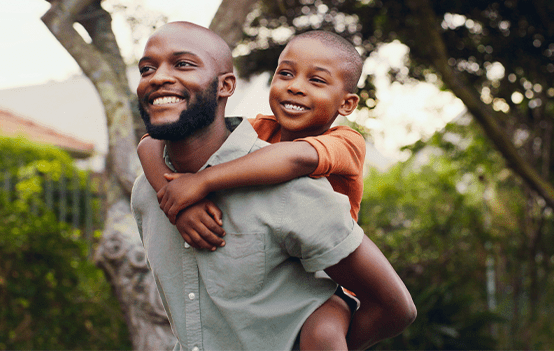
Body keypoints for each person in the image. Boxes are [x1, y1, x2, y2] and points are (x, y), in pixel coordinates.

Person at [131, 21, 416, 351]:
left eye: (317, 80)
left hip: (332, 283)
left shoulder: (343, 144)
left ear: (347, 104)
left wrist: (201, 183)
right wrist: (176, 204)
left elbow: (294, 159)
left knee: (322, 336)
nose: (295, 87)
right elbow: (149, 143)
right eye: (285, 74)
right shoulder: (257, 130)